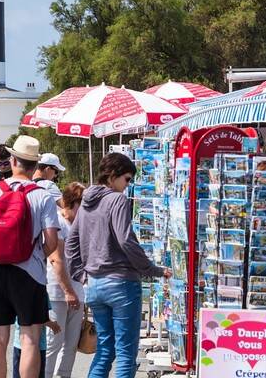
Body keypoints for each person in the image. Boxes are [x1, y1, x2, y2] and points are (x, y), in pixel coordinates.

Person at [66, 152, 168, 378]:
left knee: (104, 350)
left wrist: (82, 275)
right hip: (121, 284)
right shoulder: (117, 199)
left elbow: (71, 244)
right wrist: (152, 269)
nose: (127, 185)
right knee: (125, 353)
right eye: (127, 179)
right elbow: (125, 240)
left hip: (94, 284)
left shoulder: (86, 203)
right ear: (113, 176)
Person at [0, 135, 60, 378]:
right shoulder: (42, 196)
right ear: (35, 165)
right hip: (30, 274)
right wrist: (35, 254)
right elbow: (52, 241)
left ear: (12, 161)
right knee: (30, 338)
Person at [45, 182, 86, 378]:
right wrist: (68, 291)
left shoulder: (79, 224)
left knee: (71, 343)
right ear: (72, 203)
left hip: (77, 289)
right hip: (58, 291)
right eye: (82, 206)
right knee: (54, 342)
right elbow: (56, 259)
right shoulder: (58, 222)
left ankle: (63, 375)